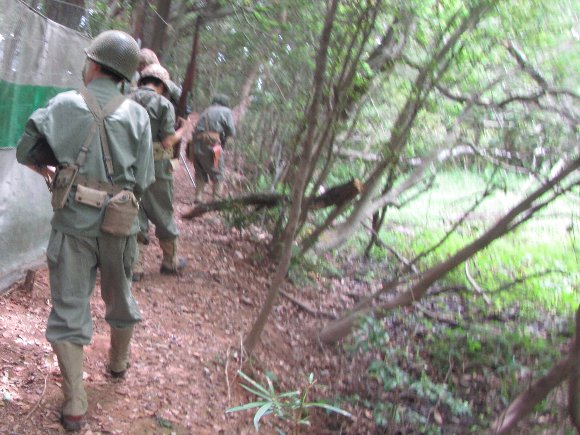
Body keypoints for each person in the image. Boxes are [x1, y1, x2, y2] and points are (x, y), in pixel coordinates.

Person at [16, 30, 154, 431]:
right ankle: (118, 363)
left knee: (68, 308)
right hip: (119, 225)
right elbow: (144, 179)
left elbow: (26, 151)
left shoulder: (63, 104)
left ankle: (75, 402)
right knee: (120, 296)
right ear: (125, 75)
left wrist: (52, 170)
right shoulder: (138, 116)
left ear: (93, 64)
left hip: (73, 223)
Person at [129, 63, 187, 280]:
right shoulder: (163, 104)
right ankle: (170, 261)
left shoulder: (125, 100)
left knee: (134, 209)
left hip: (129, 162)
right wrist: (185, 128)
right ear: (162, 85)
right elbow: (167, 141)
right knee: (162, 209)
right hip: (157, 164)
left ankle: (135, 265)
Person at [188, 93, 236, 202]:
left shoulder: (206, 110)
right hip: (212, 145)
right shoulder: (226, 111)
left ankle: (198, 197)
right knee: (218, 172)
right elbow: (231, 131)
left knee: (200, 170)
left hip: (196, 144)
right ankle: (216, 199)